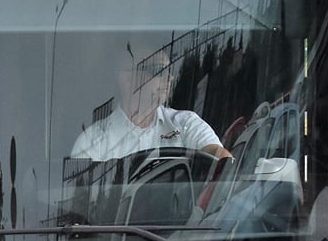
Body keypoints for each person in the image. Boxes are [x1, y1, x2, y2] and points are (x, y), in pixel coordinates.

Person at [70, 51, 230, 163]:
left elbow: (223, 163)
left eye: (170, 70)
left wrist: (220, 161)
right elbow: (79, 202)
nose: (170, 78)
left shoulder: (185, 123)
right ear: (126, 79)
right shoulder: (91, 142)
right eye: (159, 70)